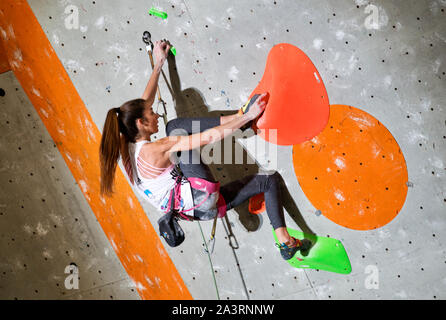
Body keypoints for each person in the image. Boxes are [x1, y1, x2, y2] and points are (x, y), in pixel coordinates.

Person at [99, 40, 306, 260]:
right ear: (140, 122)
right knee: (174, 127)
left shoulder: (125, 144)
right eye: (152, 113)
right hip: (201, 194)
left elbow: (144, 101)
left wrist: (159, 63)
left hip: (200, 212)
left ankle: (285, 241)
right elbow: (207, 137)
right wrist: (248, 116)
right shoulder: (155, 149)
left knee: (269, 180)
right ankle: (240, 119)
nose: (157, 114)